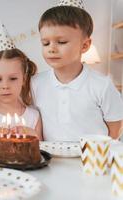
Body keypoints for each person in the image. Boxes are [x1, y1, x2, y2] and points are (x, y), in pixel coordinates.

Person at [32, 0, 123, 141]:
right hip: (50, 160)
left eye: (61, 42)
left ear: (85, 45)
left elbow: (115, 128)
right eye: (45, 43)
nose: (51, 48)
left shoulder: (102, 85)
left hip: (90, 160)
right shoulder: (36, 83)